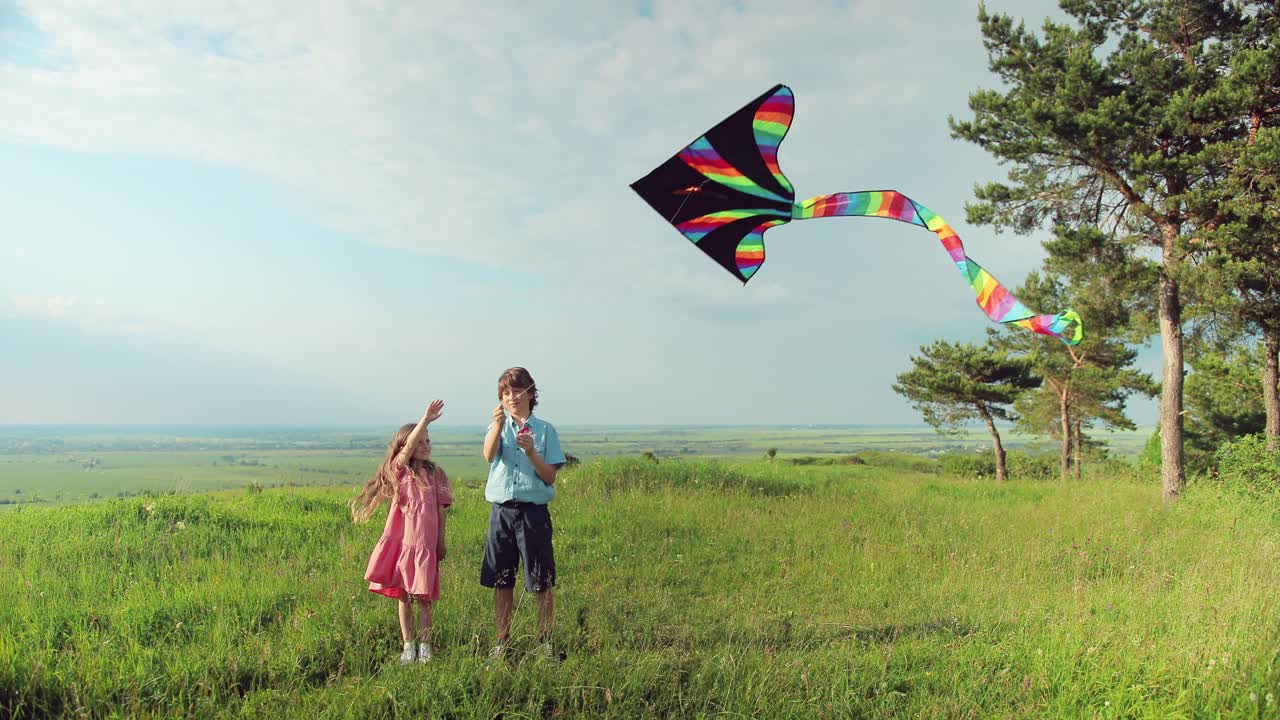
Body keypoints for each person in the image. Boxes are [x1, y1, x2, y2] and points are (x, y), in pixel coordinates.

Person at [351, 400, 453, 665]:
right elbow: (406, 451)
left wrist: (440, 543)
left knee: (425, 598)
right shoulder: (400, 472)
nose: (426, 445)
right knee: (404, 597)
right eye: (420, 441)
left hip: (426, 547)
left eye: (428, 440)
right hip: (403, 546)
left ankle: (425, 646)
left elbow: (441, 511)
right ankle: (408, 645)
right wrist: (425, 420)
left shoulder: (437, 475)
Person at [480, 367, 566, 660]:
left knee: (540, 579)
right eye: (505, 393)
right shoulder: (499, 427)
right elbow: (489, 456)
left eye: (517, 391)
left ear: (530, 393)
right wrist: (495, 426)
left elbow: (550, 477)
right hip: (502, 511)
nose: (511, 397)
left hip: (533, 514)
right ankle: (502, 641)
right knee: (502, 579)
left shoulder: (545, 431)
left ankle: (545, 642)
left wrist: (532, 454)